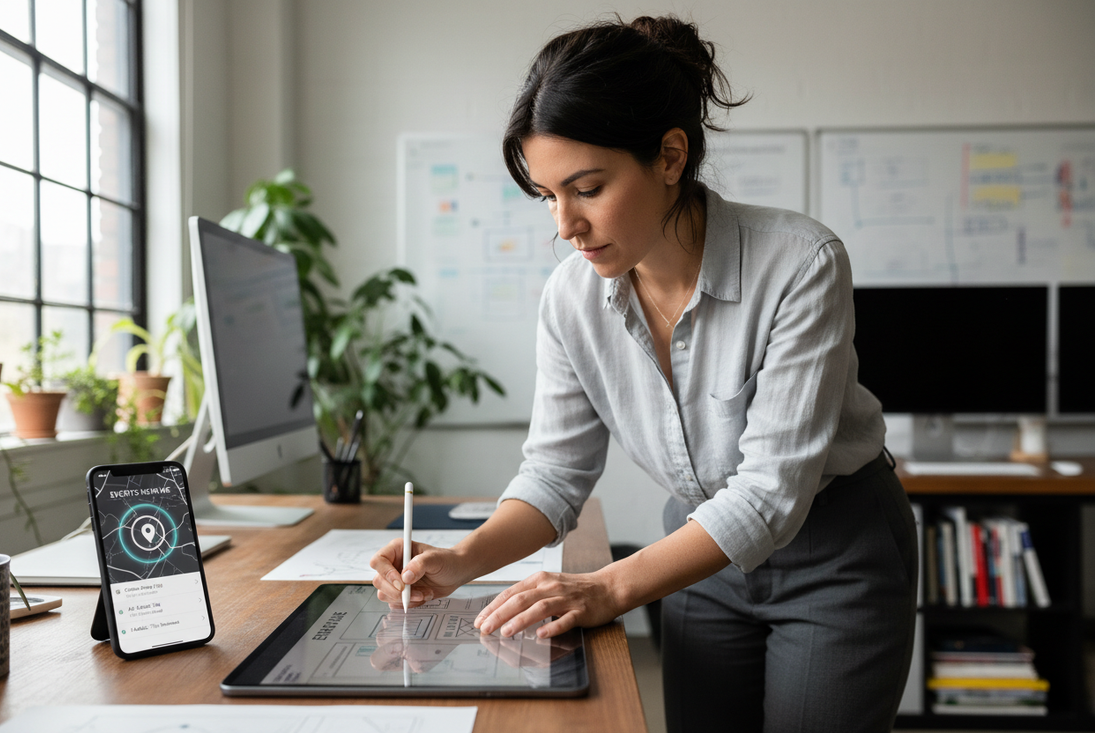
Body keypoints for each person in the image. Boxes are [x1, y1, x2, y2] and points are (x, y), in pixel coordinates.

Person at [370, 14, 918, 732]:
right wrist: (462, 559)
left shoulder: (800, 263)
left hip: (834, 550)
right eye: (547, 195)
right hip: (697, 556)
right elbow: (554, 474)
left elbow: (769, 494)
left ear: (668, 156)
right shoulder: (571, 297)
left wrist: (606, 587)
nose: (564, 224)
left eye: (587, 188)